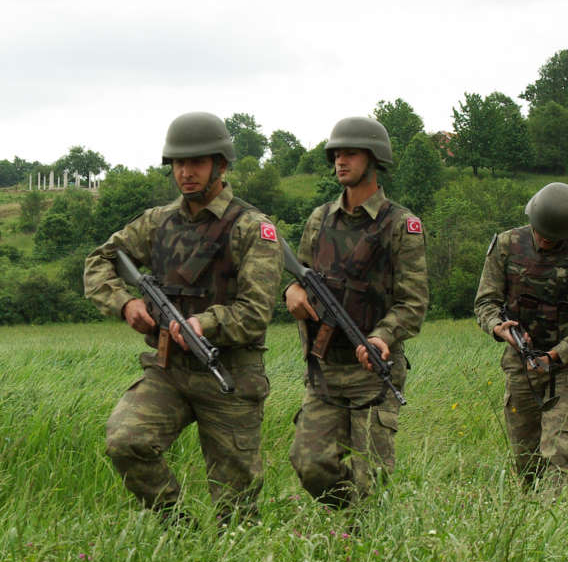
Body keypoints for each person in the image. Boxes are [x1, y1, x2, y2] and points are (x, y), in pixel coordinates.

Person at [83, 112, 283, 525]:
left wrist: (204, 324)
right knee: (125, 441)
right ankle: (178, 528)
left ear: (221, 165)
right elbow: (100, 260)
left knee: (237, 506)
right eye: (178, 163)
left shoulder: (252, 228)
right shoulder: (157, 222)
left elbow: (256, 311)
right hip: (168, 368)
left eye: (196, 163)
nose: (186, 173)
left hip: (230, 371)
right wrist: (124, 303)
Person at [284, 116, 428, 508]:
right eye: (336, 154)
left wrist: (382, 335)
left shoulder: (402, 224)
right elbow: (300, 272)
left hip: (372, 371)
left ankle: (364, 536)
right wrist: (292, 291)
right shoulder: (319, 219)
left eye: (350, 153)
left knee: (373, 478)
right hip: (325, 368)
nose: (340, 161)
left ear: (374, 158)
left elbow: (414, 301)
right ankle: (352, 518)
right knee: (310, 463)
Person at [474, 182, 568, 487]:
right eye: (540, 234)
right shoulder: (507, 244)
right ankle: (531, 522)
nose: (544, 241)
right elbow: (485, 301)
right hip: (519, 362)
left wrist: (555, 356)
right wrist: (498, 327)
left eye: (553, 238)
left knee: (559, 454)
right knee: (525, 460)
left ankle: (558, 521)